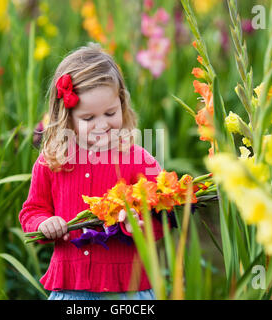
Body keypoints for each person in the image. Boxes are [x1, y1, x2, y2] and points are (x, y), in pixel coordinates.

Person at [19, 43, 164, 300]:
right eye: (88, 118)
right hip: (71, 288)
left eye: (110, 112)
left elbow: (163, 210)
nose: (102, 125)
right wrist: (44, 223)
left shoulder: (138, 159)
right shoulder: (51, 162)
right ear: (67, 117)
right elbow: (32, 211)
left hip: (128, 289)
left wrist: (140, 225)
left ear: (121, 103)